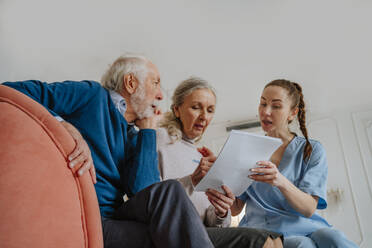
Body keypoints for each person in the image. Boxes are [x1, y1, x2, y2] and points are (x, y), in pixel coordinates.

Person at [2, 55, 216, 248]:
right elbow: (11, 91)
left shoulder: (134, 135)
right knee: (166, 234)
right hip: (88, 217)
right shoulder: (92, 95)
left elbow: (143, 190)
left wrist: (147, 132)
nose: (160, 95)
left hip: (115, 218)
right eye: (155, 82)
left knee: (169, 193)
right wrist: (64, 126)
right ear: (131, 83)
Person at [157, 77, 283, 248]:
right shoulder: (159, 139)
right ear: (176, 110)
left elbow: (214, 222)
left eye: (210, 110)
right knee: (264, 241)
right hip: (174, 231)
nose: (204, 117)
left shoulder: (200, 153)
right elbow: (150, 198)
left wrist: (221, 211)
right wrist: (191, 181)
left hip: (202, 232)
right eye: (196, 107)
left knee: (275, 240)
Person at [231, 79, 358, 248]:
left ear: (292, 113)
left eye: (276, 106)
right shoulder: (246, 151)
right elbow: (235, 208)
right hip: (265, 228)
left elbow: (308, 209)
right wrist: (218, 178)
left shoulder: (311, 150)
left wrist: (280, 180)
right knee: (303, 245)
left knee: (334, 238)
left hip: (307, 225)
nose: (266, 111)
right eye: (263, 104)